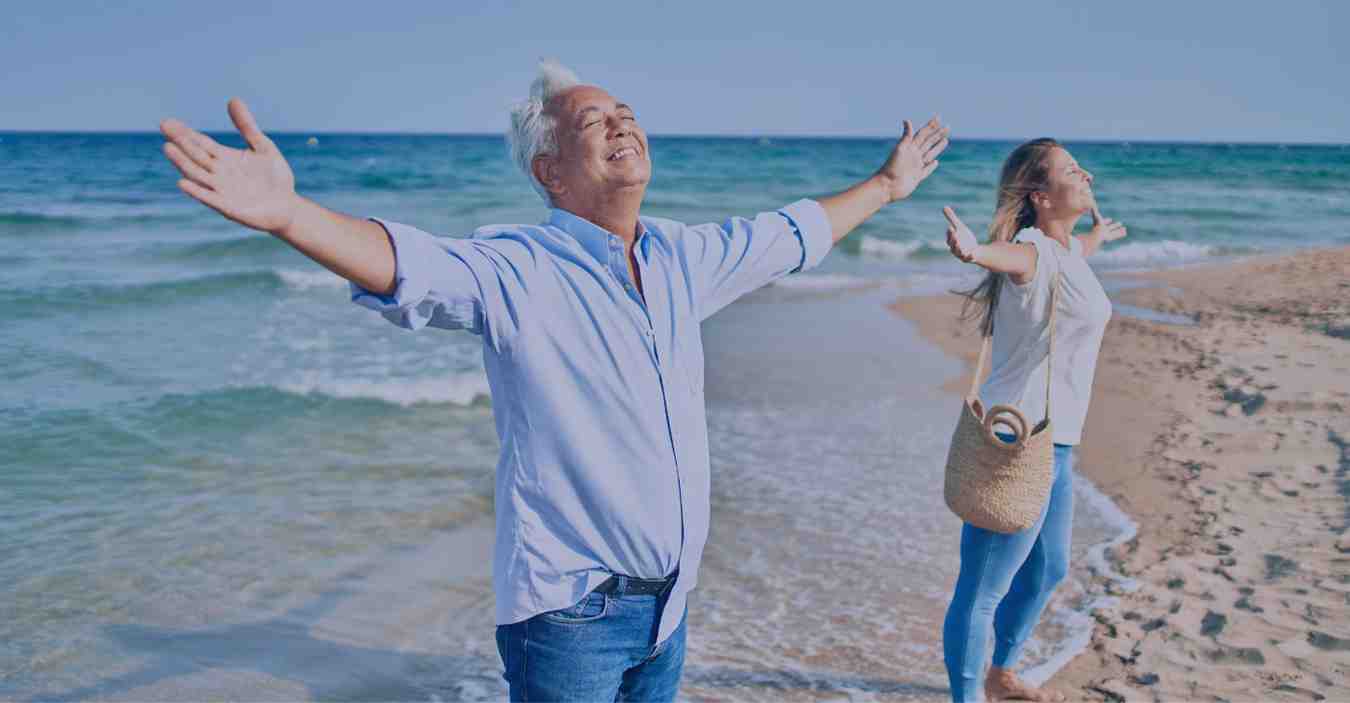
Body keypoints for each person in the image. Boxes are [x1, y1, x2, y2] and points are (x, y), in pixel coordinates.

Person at [159, 59, 949, 702]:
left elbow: (792, 233)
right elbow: (408, 264)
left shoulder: (683, 257)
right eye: (592, 122)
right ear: (551, 172)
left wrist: (886, 185)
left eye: (626, 112)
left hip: (669, 608)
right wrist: (292, 214)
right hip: (572, 618)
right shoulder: (518, 270)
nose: (621, 124)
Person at [941, 138, 1127, 703]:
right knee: (983, 590)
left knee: (1048, 569)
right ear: (1040, 196)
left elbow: (1066, 267)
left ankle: (1001, 672)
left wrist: (1092, 237)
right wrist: (975, 252)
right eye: (1073, 170)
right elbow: (1017, 259)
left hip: (1059, 444)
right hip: (1016, 440)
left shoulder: (1064, 251)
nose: (1086, 173)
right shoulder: (1030, 250)